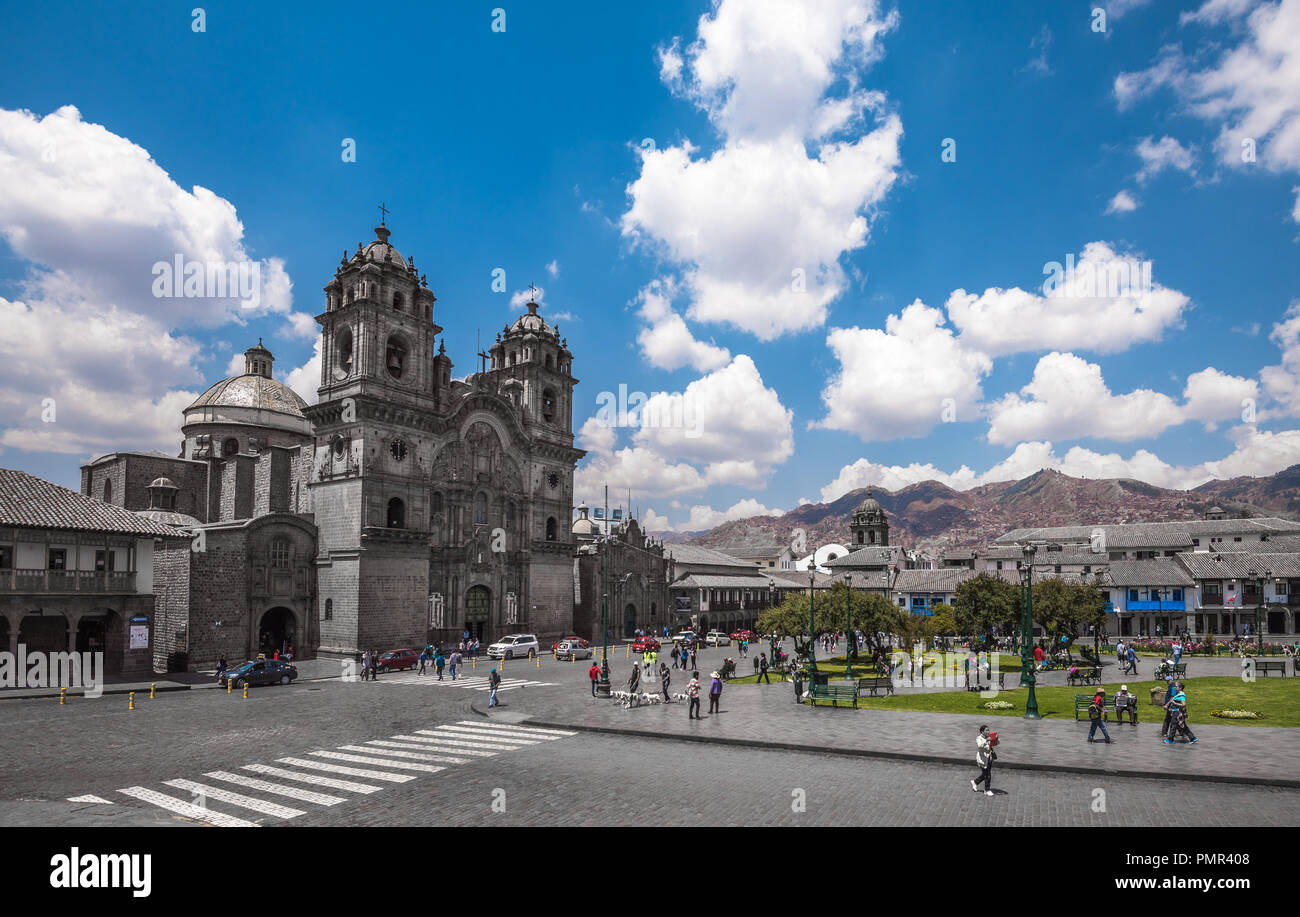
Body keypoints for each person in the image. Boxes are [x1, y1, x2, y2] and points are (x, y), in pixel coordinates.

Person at [971, 724, 995, 796]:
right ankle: (987, 790)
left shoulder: (989, 737)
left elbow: (995, 744)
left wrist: (996, 739)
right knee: (987, 774)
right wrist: (986, 740)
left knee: (986, 774)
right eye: (986, 730)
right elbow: (980, 746)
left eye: (988, 730)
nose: (988, 731)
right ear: (982, 731)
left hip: (989, 758)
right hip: (982, 759)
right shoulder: (978, 738)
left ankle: (975, 782)